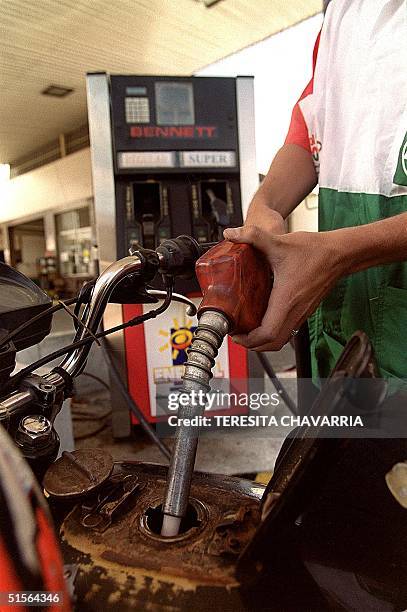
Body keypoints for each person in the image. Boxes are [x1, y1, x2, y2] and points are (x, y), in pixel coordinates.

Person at [224, 0, 407, 383]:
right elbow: (308, 128)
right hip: (343, 342)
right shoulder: (342, 13)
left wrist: (338, 255)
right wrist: (265, 206)